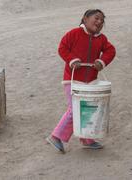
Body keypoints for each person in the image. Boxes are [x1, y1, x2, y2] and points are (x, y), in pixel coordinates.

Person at [46, 9, 116, 153]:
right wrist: (72, 60)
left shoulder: (101, 39)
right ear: (85, 19)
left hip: (91, 82)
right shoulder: (73, 34)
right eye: (96, 18)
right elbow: (62, 48)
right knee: (75, 110)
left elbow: (111, 51)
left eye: (102, 21)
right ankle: (56, 136)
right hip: (72, 81)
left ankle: (87, 139)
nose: (99, 22)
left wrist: (101, 62)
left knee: (88, 109)